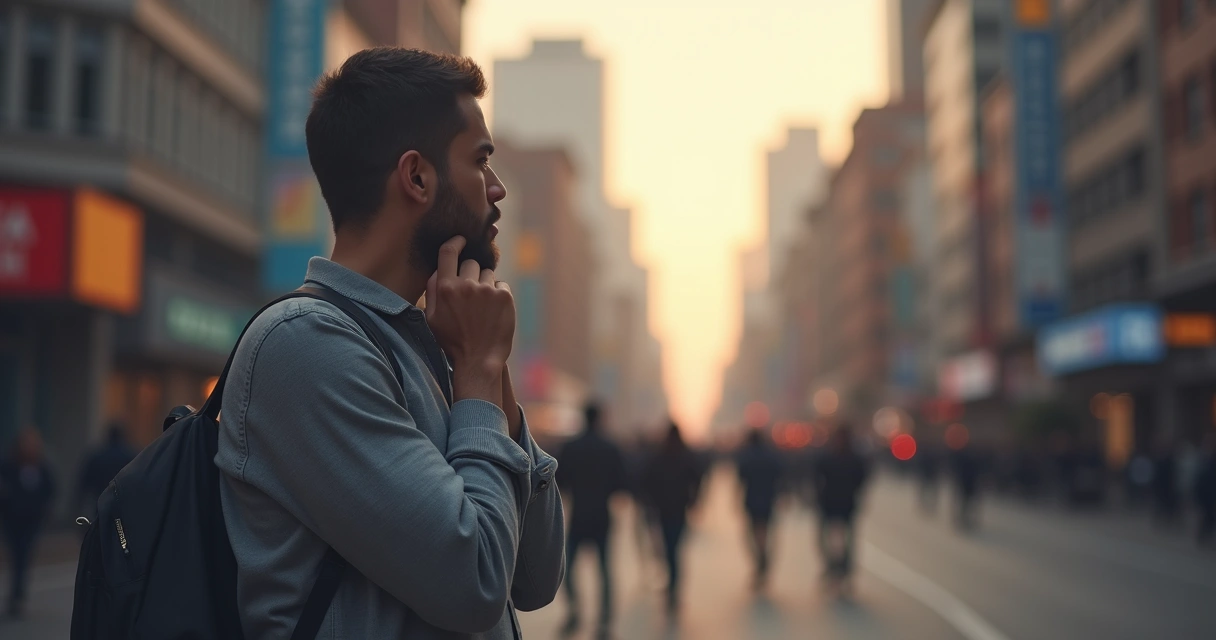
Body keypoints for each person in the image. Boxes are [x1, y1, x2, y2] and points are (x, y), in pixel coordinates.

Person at [214, 48, 564, 638]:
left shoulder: (434, 342)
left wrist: (487, 367)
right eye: (481, 162)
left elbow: (534, 575)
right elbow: (475, 583)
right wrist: (478, 370)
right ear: (417, 177)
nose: (498, 190)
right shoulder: (306, 346)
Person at [556, 402, 626, 638]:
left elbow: (560, 480)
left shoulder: (571, 447)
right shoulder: (610, 448)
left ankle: (575, 611)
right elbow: (620, 484)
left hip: (578, 516)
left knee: (567, 569)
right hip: (602, 517)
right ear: (599, 419)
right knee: (605, 571)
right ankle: (604, 621)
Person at [642, 421, 702, 613]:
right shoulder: (686, 456)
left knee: (668, 548)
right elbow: (697, 479)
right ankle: (674, 588)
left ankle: (672, 586)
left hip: (662, 509)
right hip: (679, 508)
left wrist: (650, 503)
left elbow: (648, 481)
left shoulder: (658, 456)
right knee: (674, 550)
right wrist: (694, 500)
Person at [0, 428, 56, 618]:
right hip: (12, 520)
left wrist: (44, 510)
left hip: (32, 521)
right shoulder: (9, 466)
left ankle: (18, 593)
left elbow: (50, 489)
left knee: (24, 555)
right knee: (17, 555)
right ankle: (17, 593)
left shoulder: (42, 467)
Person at [813, 425, 868, 595]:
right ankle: (838, 568)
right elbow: (862, 480)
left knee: (833, 539)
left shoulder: (832, 457)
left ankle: (839, 568)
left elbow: (817, 478)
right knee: (839, 538)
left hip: (835, 503)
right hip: (840, 503)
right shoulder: (852, 458)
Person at [735, 428, 783, 590]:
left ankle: (760, 560)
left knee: (752, 535)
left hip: (752, 500)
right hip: (768, 500)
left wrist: (736, 499)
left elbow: (740, 478)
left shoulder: (746, 456)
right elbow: (779, 475)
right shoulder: (771, 456)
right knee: (765, 533)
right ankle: (763, 560)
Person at [76, 423, 136, 519]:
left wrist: (78, 505)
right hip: (122, 502)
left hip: (100, 499)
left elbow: (84, 482)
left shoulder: (97, 456)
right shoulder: (129, 456)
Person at [1194, 434, 1216, 546]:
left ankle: (1204, 536)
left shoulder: (1210, 459)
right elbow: (1198, 478)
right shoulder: (1202, 459)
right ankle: (1202, 537)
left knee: (1209, 517)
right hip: (1204, 493)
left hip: (1211, 493)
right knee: (1206, 516)